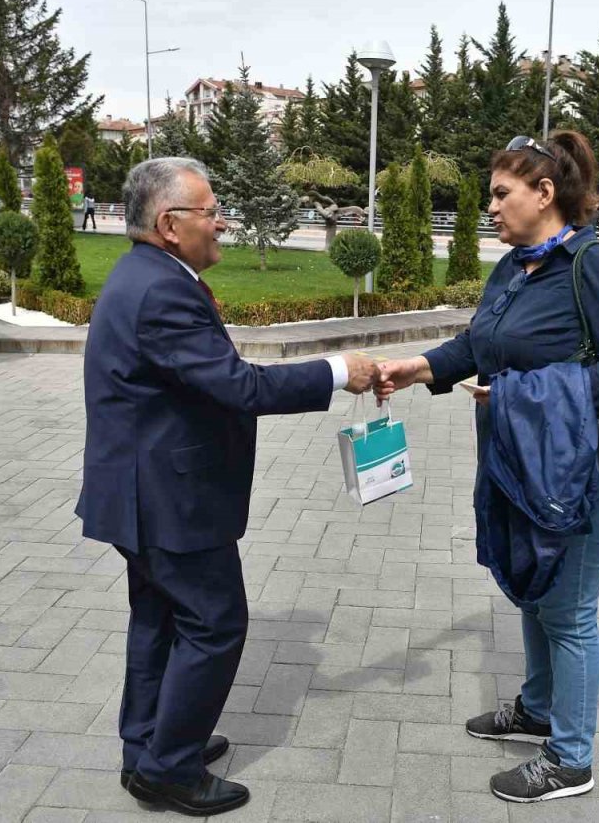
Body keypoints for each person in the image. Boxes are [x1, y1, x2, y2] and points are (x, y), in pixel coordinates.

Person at [76, 157, 379, 817]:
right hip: (167, 500)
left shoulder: (146, 274)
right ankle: (169, 769)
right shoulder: (161, 289)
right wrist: (337, 369)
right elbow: (238, 385)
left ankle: (150, 747)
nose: (223, 222)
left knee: (160, 619)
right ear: (169, 224)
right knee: (215, 623)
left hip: (146, 491)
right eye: (211, 211)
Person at [375, 131, 599, 804]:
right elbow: (481, 340)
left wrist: (523, 394)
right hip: (520, 461)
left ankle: (571, 756)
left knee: (569, 609)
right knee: (533, 589)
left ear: (545, 193)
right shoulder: (516, 266)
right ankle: (537, 709)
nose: (490, 209)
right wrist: (419, 368)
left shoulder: (593, 266)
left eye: (501, 194)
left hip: (578, 470)